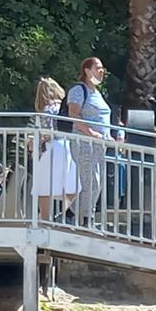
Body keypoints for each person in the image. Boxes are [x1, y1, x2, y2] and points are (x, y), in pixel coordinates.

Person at [67, 57, 111, 228]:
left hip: (99, 146)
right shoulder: (79, 90)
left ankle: (72, 214)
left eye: (102, 68)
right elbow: (74, 114)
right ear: (87, 70)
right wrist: (91, 133)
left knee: (96, 183)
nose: (101, 71)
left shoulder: (98, 93)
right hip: (84, 144)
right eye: (97, 68)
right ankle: (86, 219)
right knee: (90, 181)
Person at [32, 77, 77, 221]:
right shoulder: (64, 108)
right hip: (67, 146)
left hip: (52, 148)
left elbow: (46, 133)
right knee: (71, 185)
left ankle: (44, 218)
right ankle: (62, 212)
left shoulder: (47, 109)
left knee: (45, 186)